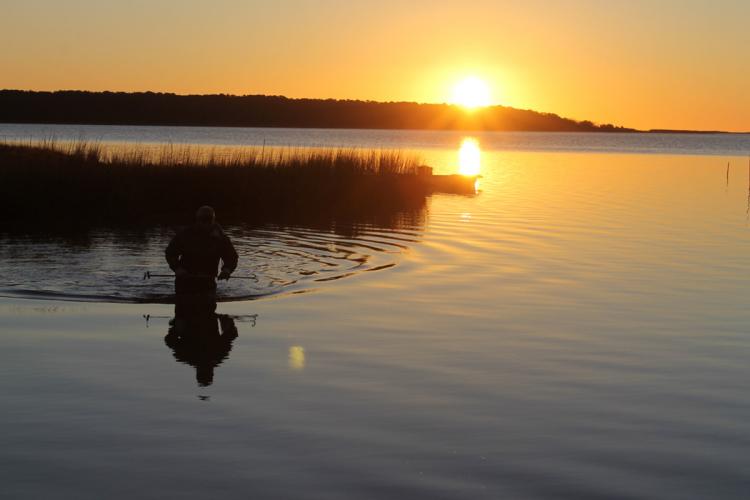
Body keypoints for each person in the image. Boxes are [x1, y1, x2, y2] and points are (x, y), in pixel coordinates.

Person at [165, 206, 238, 296]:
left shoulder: (221, 238)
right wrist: (177, 268)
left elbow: (231, 256)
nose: (206, 223)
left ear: (213, 220)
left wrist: (227, 269)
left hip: (208, 282)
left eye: (209, 220)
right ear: (197, 220)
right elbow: (170, 253)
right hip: (184, 281)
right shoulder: (185, 235)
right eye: (203, 220)